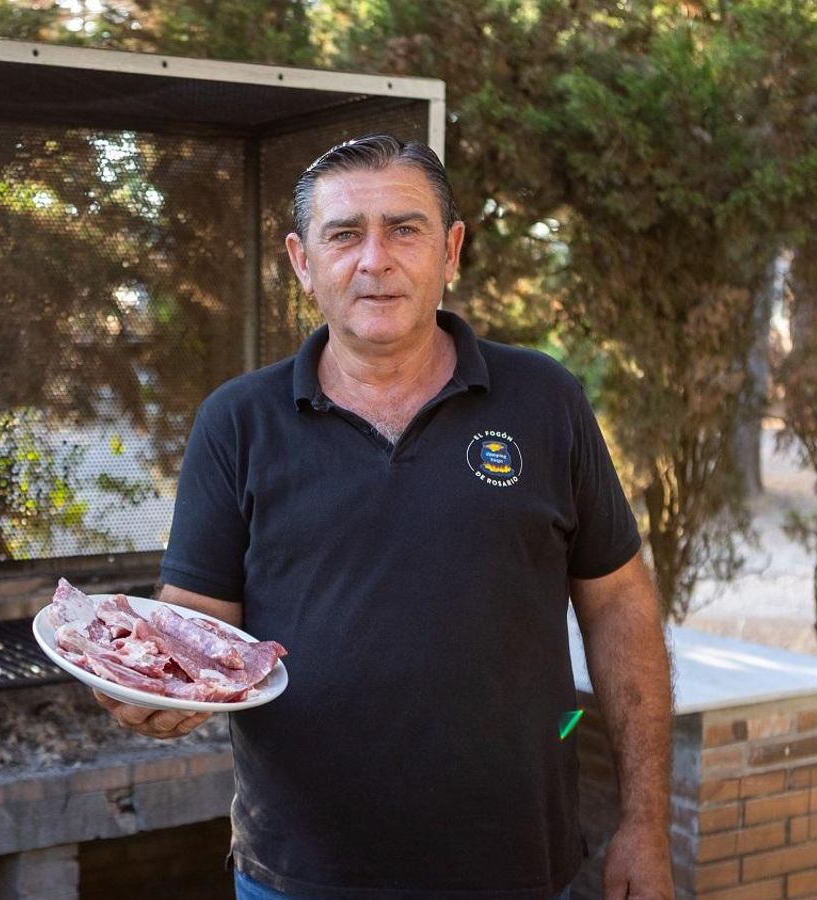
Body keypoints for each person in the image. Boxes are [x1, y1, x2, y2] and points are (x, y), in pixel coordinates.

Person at [93, 134, 675, 900]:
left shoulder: (544, 400)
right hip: (300, 875)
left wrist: (647, 822)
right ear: (303, 262)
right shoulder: (238, 421)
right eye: (344, 234)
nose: (375, 259)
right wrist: (149, 682)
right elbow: (200, 620)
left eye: (405, 228)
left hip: (510, 869)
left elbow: (620, 602)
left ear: (452, 250)